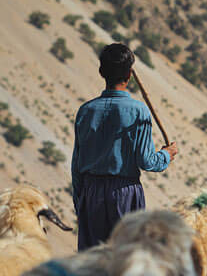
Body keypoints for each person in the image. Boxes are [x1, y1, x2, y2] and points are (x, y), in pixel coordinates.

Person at [71, 43, 178, 250]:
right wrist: (166, 154)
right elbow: (147, 161)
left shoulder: (86, 111)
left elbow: (76, 164)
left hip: (91, 193)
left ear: (101, 71)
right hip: (124, 194)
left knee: (93, 263)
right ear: (129, 74)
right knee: (127, 259)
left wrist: (81, 202)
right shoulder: (139, 111)